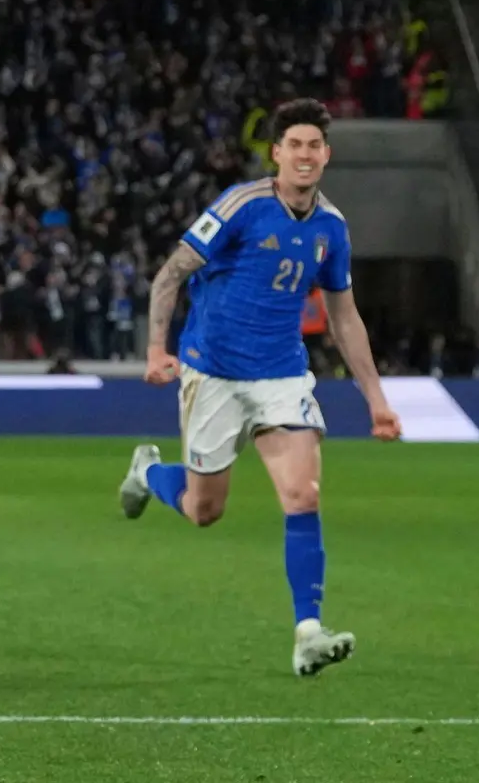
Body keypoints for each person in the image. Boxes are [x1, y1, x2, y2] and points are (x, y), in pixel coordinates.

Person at [118, 97, 402, 677]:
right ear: (276, 153)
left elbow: (344, 317)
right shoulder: (241, 206)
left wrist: (377, 401)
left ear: (327, 154)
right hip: (213, 373)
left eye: (314, 145)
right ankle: (149, 472)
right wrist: (155, 350)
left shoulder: (331, 228)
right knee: (204, 510)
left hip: (282, 375)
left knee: (303, 495)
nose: (305, 154)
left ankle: (308, 632)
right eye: (294, 144)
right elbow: (171, 274)